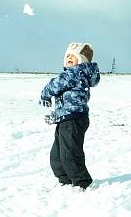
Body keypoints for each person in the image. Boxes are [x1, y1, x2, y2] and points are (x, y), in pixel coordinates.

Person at [39, 42, 100, 190]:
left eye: (74, 56)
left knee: (70, 153)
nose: (69, 59)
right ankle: (65, 180)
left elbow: (56, 84)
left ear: (82, 61)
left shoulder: (76, 72)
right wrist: (56, 116)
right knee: (57, 155)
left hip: (73, 119)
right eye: (68, 56)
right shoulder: (74, 74)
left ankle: (82, 182)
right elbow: (66, 99)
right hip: (67, 118)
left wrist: (45, 94)